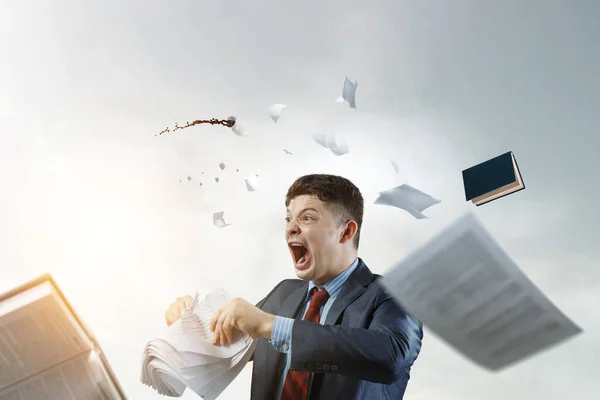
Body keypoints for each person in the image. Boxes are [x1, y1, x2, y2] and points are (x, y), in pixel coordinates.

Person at [165, 174, 423, 399]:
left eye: (307, 218)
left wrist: (270, 326)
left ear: (346, 232)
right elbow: (226, 349)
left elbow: (392, 357)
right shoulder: (284, 293)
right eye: (289, 219)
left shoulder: (395, 294)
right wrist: (190, 325)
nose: (290, 228)